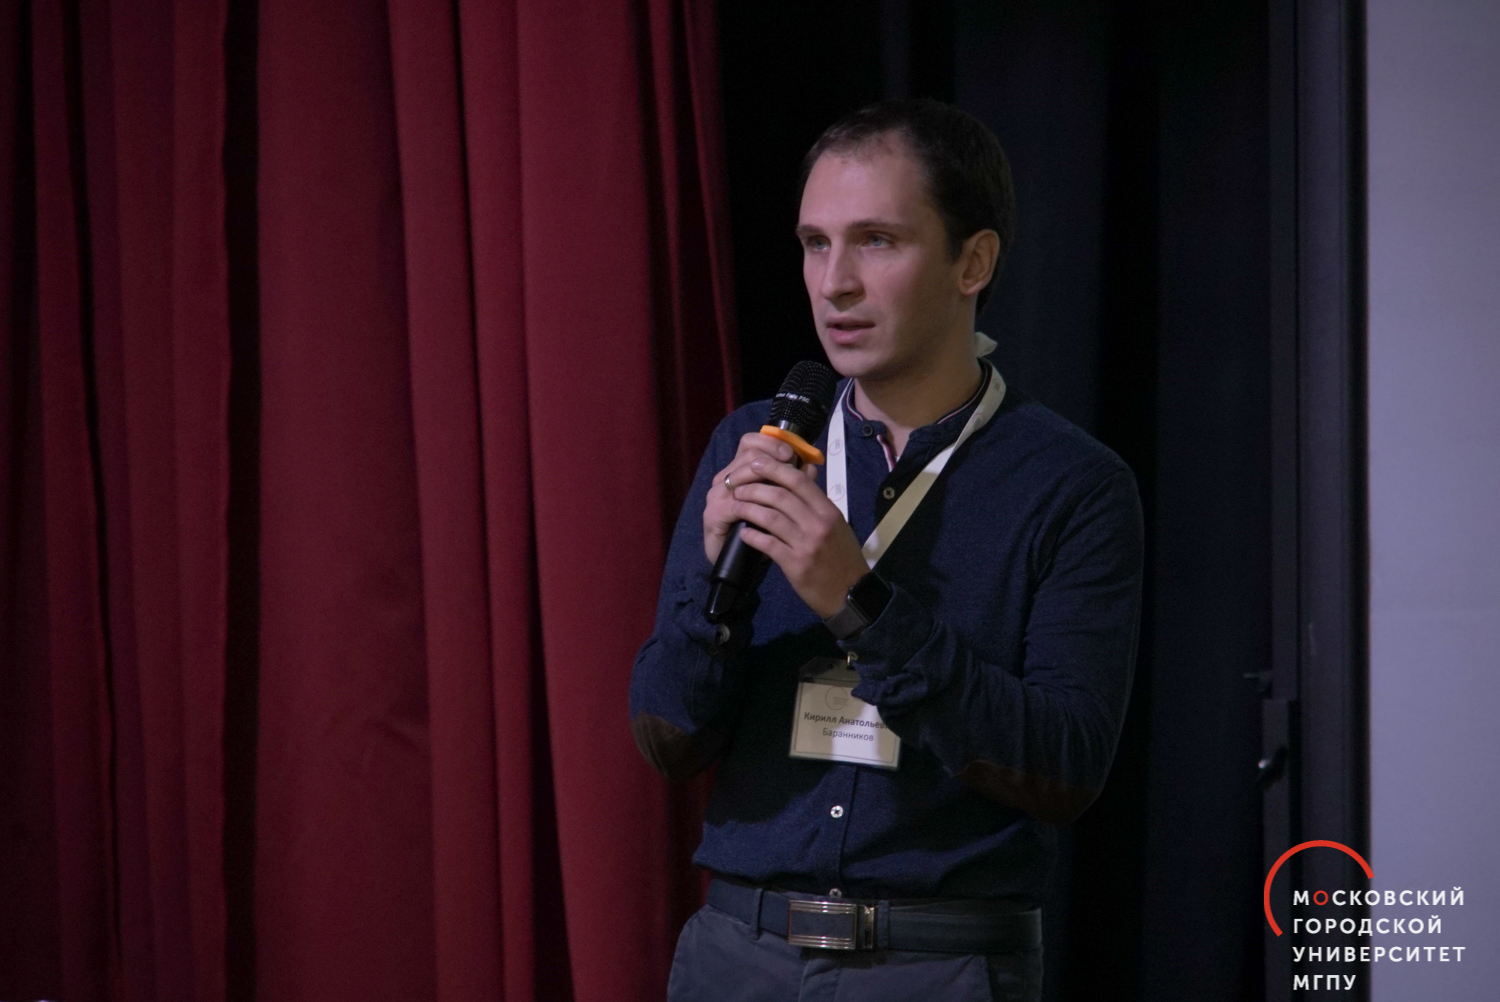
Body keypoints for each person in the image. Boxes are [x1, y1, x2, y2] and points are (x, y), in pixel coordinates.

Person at [629, 99, 1143, 1002]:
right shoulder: (754, 447)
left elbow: (1064, 768)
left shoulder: (1072, 484)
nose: (833, 284)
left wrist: (860, 605)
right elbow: (668, 741)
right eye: (814, 243)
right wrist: (715, 600)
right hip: (738, 953)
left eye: (876, 241)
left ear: (972, 263)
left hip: (937, 962)